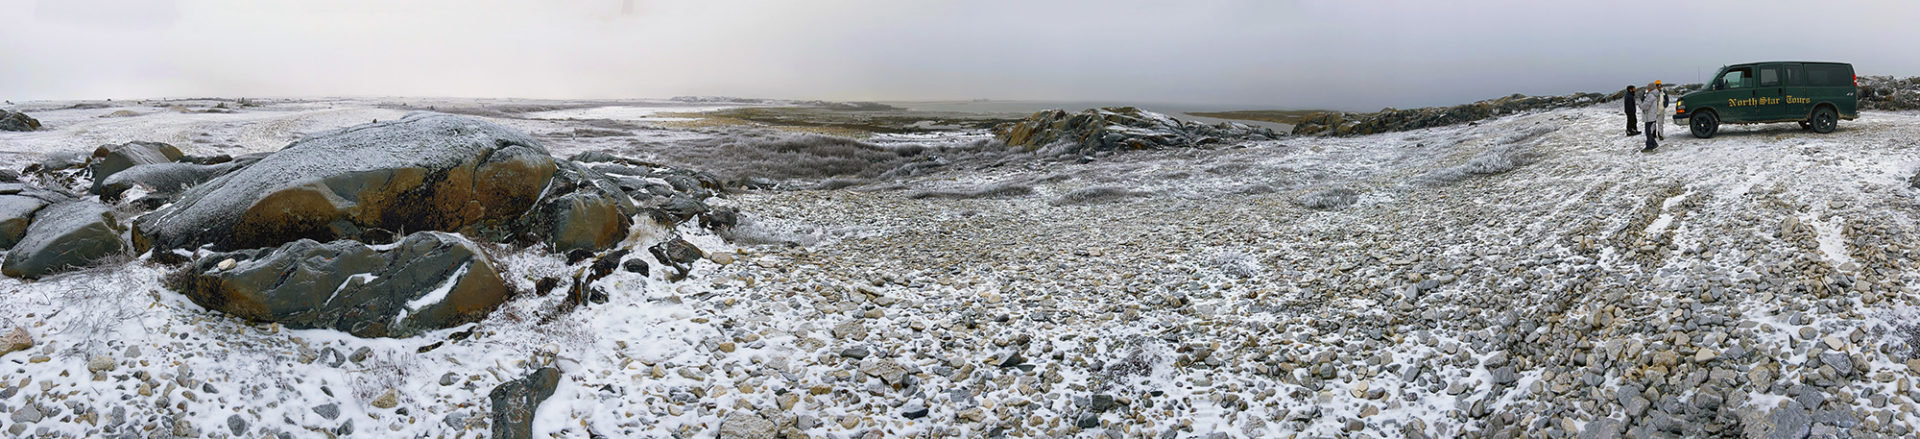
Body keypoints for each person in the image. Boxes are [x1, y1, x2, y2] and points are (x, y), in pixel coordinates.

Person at [1638, 81, 1666, 151]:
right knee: (1649, 131)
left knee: (1648, 132)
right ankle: (1653, 144)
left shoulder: (1650, 95)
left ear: (1650, 88)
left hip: (1649, 116)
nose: (1647, 88)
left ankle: (1649, 146)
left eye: (1648, 87)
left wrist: (1640, 105)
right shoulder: (1654, 94)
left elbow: (1646, 106)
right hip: (1651, 115)